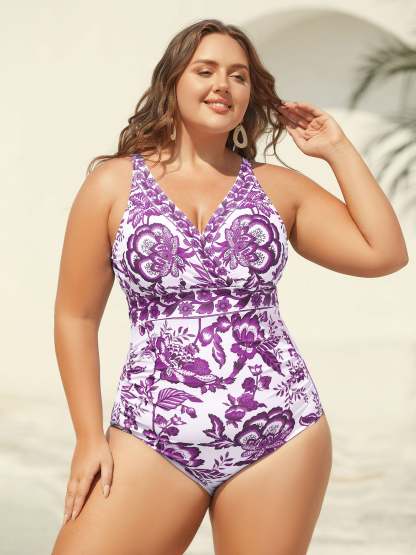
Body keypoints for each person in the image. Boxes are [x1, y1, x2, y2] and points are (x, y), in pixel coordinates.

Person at [51, 18, 408, 555]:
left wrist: (337, 150)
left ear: (249, 96)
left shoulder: (276, 188)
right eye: (206, 70)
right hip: (152, 435)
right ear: (172, 82)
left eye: (238, 76)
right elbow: (75, 317)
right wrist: (87, 438)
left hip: (280, 434)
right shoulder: (112, 184)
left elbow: (384, 253)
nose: (223, 84)